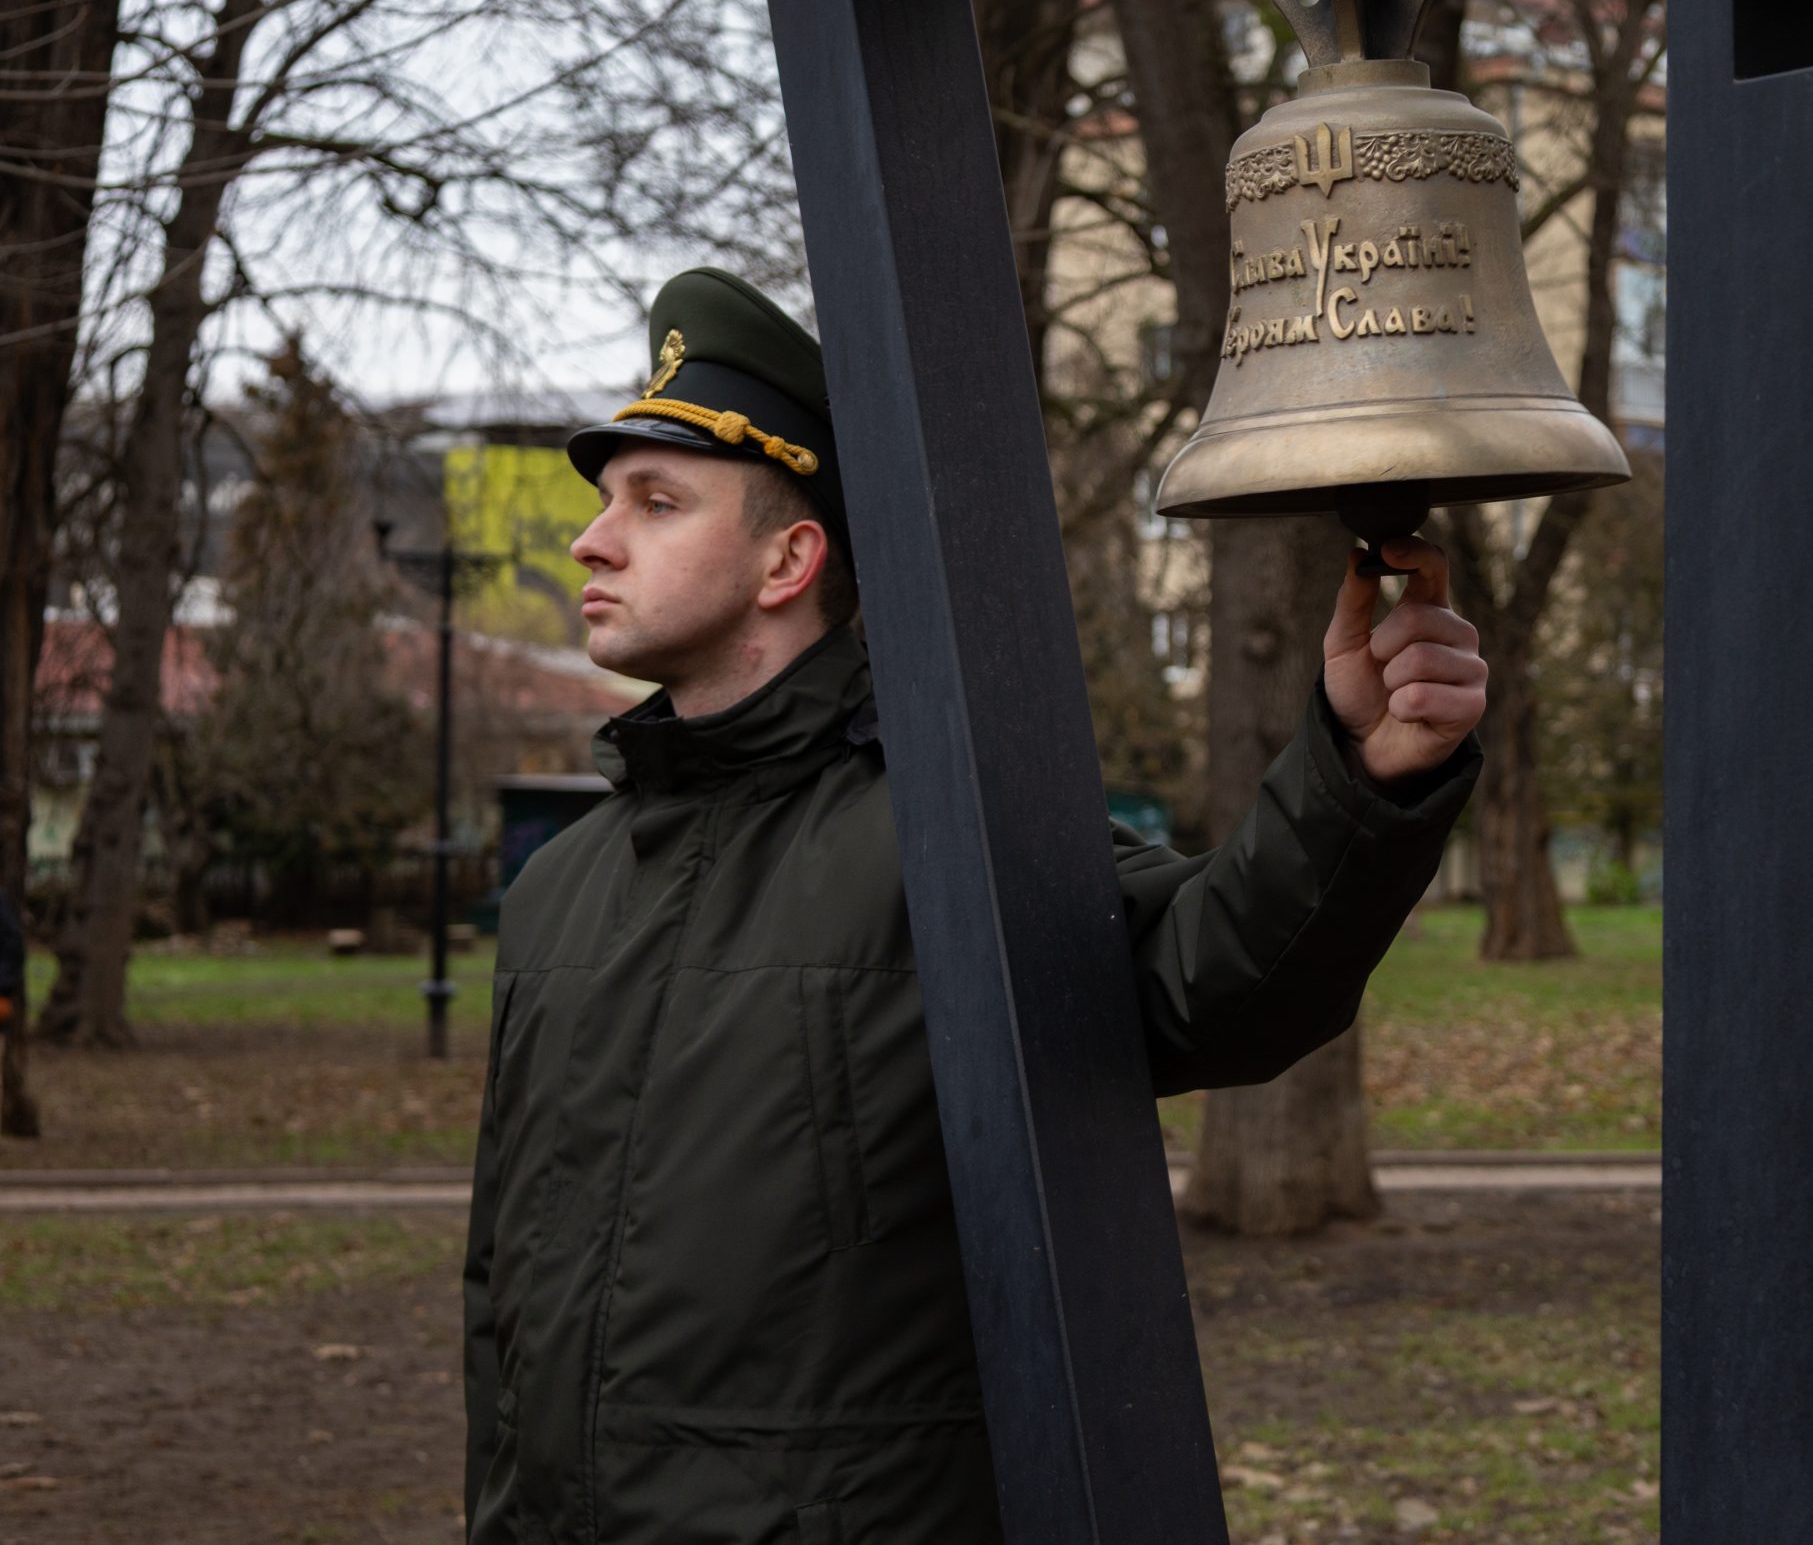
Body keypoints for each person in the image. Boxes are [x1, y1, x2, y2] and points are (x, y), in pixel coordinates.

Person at [461, 267, 1484, 1543]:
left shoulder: (946, 839)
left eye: (655, 503)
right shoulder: (559, 887)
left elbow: (1212, 979)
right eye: (606, 502)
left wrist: (1359, 773)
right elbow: (501, 1298)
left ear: (791, 558)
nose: (590, 539)